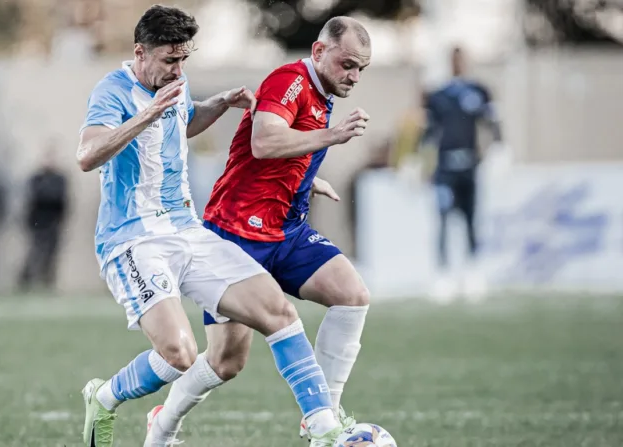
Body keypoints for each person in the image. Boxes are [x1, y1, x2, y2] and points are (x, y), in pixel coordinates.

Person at [77, 6, 345, 447]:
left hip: (188, 231)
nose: (177, 69)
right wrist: (146, 113)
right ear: (140, 53)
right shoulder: (112, 90)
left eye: (183, 60)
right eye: (169, 60)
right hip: (133, 240)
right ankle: (103, 397)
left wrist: (216, 105)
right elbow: (87, 156)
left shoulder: (172, 83)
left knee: (277, 310)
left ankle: (324, 428)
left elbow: (181, 121)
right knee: (180, 355)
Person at [147, 16, 372, 444]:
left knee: (353, 295)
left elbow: (283, 148)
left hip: (286, 230)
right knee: (226, 361)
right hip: (235, 235)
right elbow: (265, 142)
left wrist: (308, 178)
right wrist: (332, 136)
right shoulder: (290, 80)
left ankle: (322, 416)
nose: (354, 76)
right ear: (319, 51)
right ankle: (162, 421)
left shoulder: (323, 89)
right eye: (347, 65)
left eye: (361, 68)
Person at [422, 46, 502, 299]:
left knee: (470, 221)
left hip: (470, 166)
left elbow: (493, 123)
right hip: (445, 168)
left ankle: (472, 273)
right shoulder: (439, 95)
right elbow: (428, 131)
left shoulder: (478, 91)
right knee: (444, 219)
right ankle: (443, 276)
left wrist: (500, 148)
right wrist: (418, 160)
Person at [19, 144, 67, 290]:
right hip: (38, 223)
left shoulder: (59, 179)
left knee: (51, 256)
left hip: (53, 223)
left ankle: (46, 283)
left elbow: (60, 200)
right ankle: (26, 282)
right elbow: (34, 198)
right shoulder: (37, 178)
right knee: (35, 254)